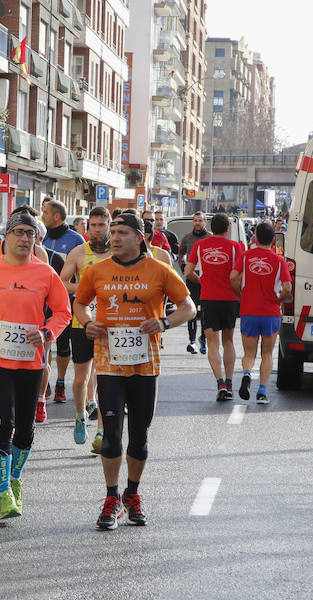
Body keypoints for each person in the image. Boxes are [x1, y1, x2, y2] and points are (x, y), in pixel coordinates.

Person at [74, 213, 195, 530]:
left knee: (139, 437)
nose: (114, 237)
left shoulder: (159, 269)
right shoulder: (96, 271)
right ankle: (112, 497)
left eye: (122, 232)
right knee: (112, 437)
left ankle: (133, 494)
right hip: (109, 364)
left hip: (146, 363)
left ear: (140, 237)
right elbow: (80, 303)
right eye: (112, 232)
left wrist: (165, 322)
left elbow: (189, 307)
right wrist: (88, 323)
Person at [0, 211, 71, 519]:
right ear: (6, 237)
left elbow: (64, 312)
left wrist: (48, 332)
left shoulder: (45, 273)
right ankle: (4, 492)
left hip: (31, 360)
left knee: (24, 429)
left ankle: (16, 478)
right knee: (4, 423)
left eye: (31, 234)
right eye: (20, 232)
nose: (25, 238)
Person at [59, 206, 111, 447]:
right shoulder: (79, 252)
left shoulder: (118, 253)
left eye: (102, 225)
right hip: (81, 322)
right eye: (93, 225)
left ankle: (101, 430)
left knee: (106, 379)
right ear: (88, 227)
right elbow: (62, 282)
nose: (97, 230)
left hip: (111, 324)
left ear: (109, 226)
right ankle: (80, 417)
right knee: (81, 379)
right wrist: (86, 290)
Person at [230, 221, 292, 404]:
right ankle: (262, 393)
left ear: (255, 238)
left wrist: (240, 295)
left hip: (249, 310)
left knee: (249, 353)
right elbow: (287, 288)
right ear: (273, 240)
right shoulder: (279, 260)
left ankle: (247, 373)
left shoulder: (246, 255)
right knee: (267, 354)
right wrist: (279, 299)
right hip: (270, 313)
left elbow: (233, 277)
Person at [183, 213, 240, 402]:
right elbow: (239, 276)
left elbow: (187, 272)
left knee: (212, 343)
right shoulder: (235, 247)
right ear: (227, 229)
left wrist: (202, 282)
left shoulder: (200, 245)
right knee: (229, 341)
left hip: (208, 298)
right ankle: (230, 383)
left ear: (211, 228)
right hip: (230, 299)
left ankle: (220, 383)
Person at [40, 198, 85, 404]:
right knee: (44, 342)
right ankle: (45, 381)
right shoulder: (41, 237)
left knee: (63, 345)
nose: (43, 216)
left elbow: (82, 271)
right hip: (41, 300)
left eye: (46, 213)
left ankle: (60, 382)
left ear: (56, 216)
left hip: (66, 300)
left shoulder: (76, 239)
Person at [34, 219, 66, 424]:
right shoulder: (9, 259)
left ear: (40, 236)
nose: (25, 238)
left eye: (31, 234)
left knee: (43, 360)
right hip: (16, 318)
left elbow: (60, 294)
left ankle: (40, 400)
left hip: (44, 317)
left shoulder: (54, 258)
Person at [178, 212, 209, 355]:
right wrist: (185, 269)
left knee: (205, 311)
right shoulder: (187, 238)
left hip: (207, 279)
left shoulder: (210, 237)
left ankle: (204, 339)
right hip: (192, 278)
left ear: (205, 222)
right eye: (195, 220)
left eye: (200, 220)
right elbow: (181, 255)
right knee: (192, 310)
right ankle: (191, 340)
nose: (197, 223)